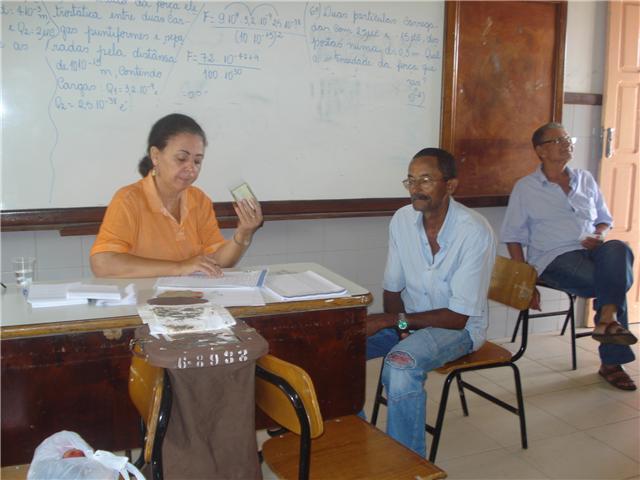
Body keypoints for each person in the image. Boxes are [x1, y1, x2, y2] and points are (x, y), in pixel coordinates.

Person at [366, 148, 496, 457]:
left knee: (401, 364)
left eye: (425, 180)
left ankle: (407, 466)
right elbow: (392, 289)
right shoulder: (401, 219)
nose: (415, 189)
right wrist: (399, 326)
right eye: (410, 180)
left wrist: (392, 322)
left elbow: (458, 317)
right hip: (410, 320)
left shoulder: (473, 231)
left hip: (459, 330)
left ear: (450, 185)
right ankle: (351, 441)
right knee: (337, 344)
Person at [501, 122, 636, 391]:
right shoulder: (526, 188)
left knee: (619, 248)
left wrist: (598, 235)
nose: (567, 144)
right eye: (558, 140)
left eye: (568, 138)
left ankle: (607, 317)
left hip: (594, 250)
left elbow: (604, 220)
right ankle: (611, 357)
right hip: (554, 258)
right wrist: (524, 281)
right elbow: (512, 236)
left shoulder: (585, 178)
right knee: (610, 284)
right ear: (540, 150)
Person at [90, 113, 262, 277]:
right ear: (155, 156)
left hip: (193, 300)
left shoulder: (199, 200)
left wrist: (243, 234)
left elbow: (215, 262)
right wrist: (180, 267)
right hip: (144, 301)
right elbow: (102, 264)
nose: (191, 168)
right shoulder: (129, 199)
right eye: (181, 158)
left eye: (197, 161)